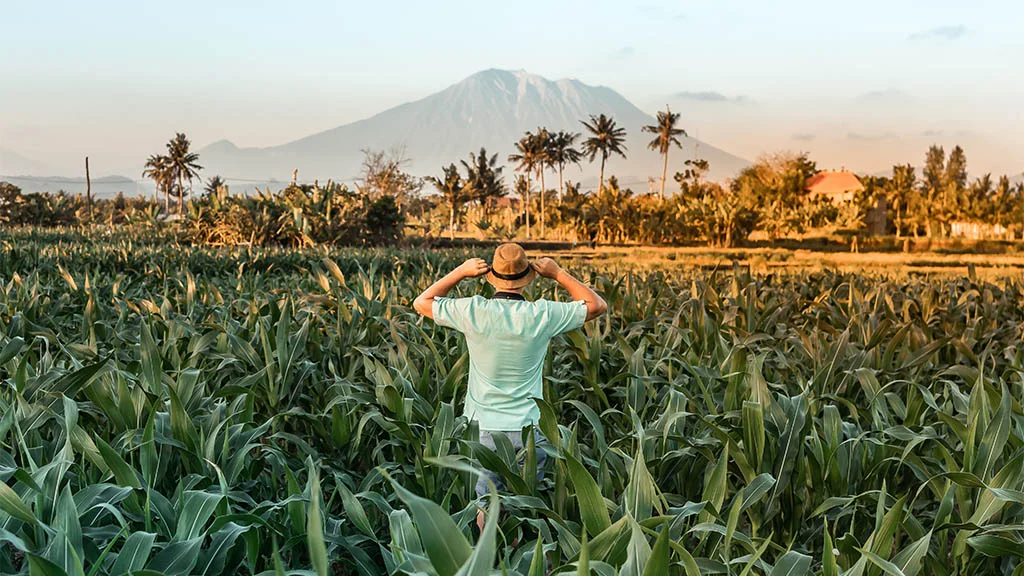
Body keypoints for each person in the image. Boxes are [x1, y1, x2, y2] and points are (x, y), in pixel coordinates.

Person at [413, 243, 607, 530]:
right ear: (527, 276)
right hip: (530, 429)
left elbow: (421, 302)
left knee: (486, 504)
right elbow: (597, 306)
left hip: (484, 428)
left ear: (491, 274)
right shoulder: (542, 314)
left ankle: (490, 561)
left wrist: (461, 272)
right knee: (526, 504)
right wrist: (557, 273)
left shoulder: (473, 310)